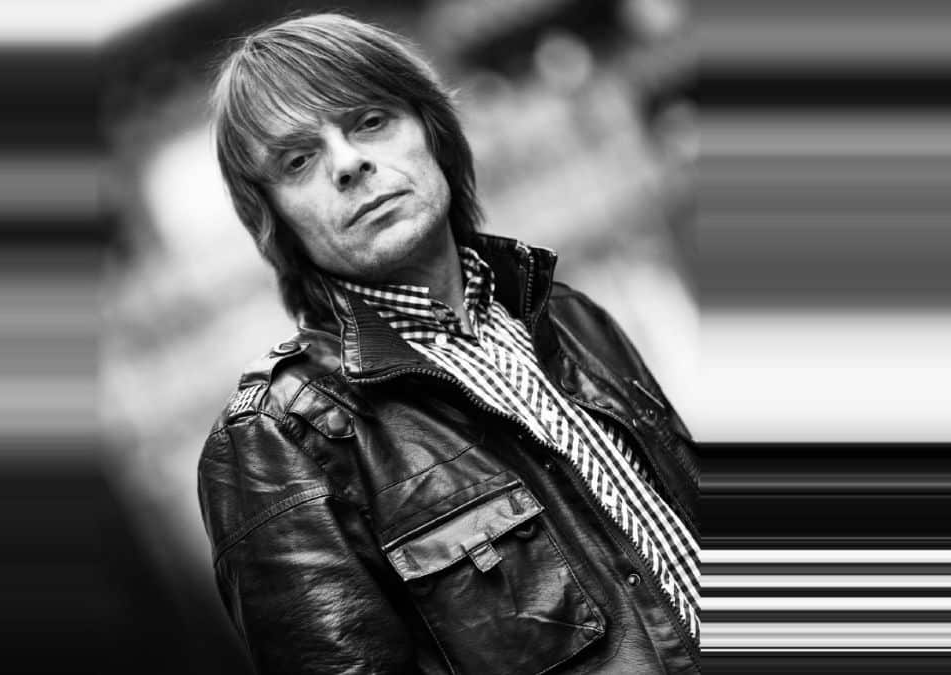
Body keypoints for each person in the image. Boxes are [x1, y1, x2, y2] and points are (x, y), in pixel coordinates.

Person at [197, 13, 699, 674]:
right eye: (298, 161)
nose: (348, 163)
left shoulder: (570, 317)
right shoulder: (280, 442)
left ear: (432, 132)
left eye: (370, 122)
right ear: (275, 217)